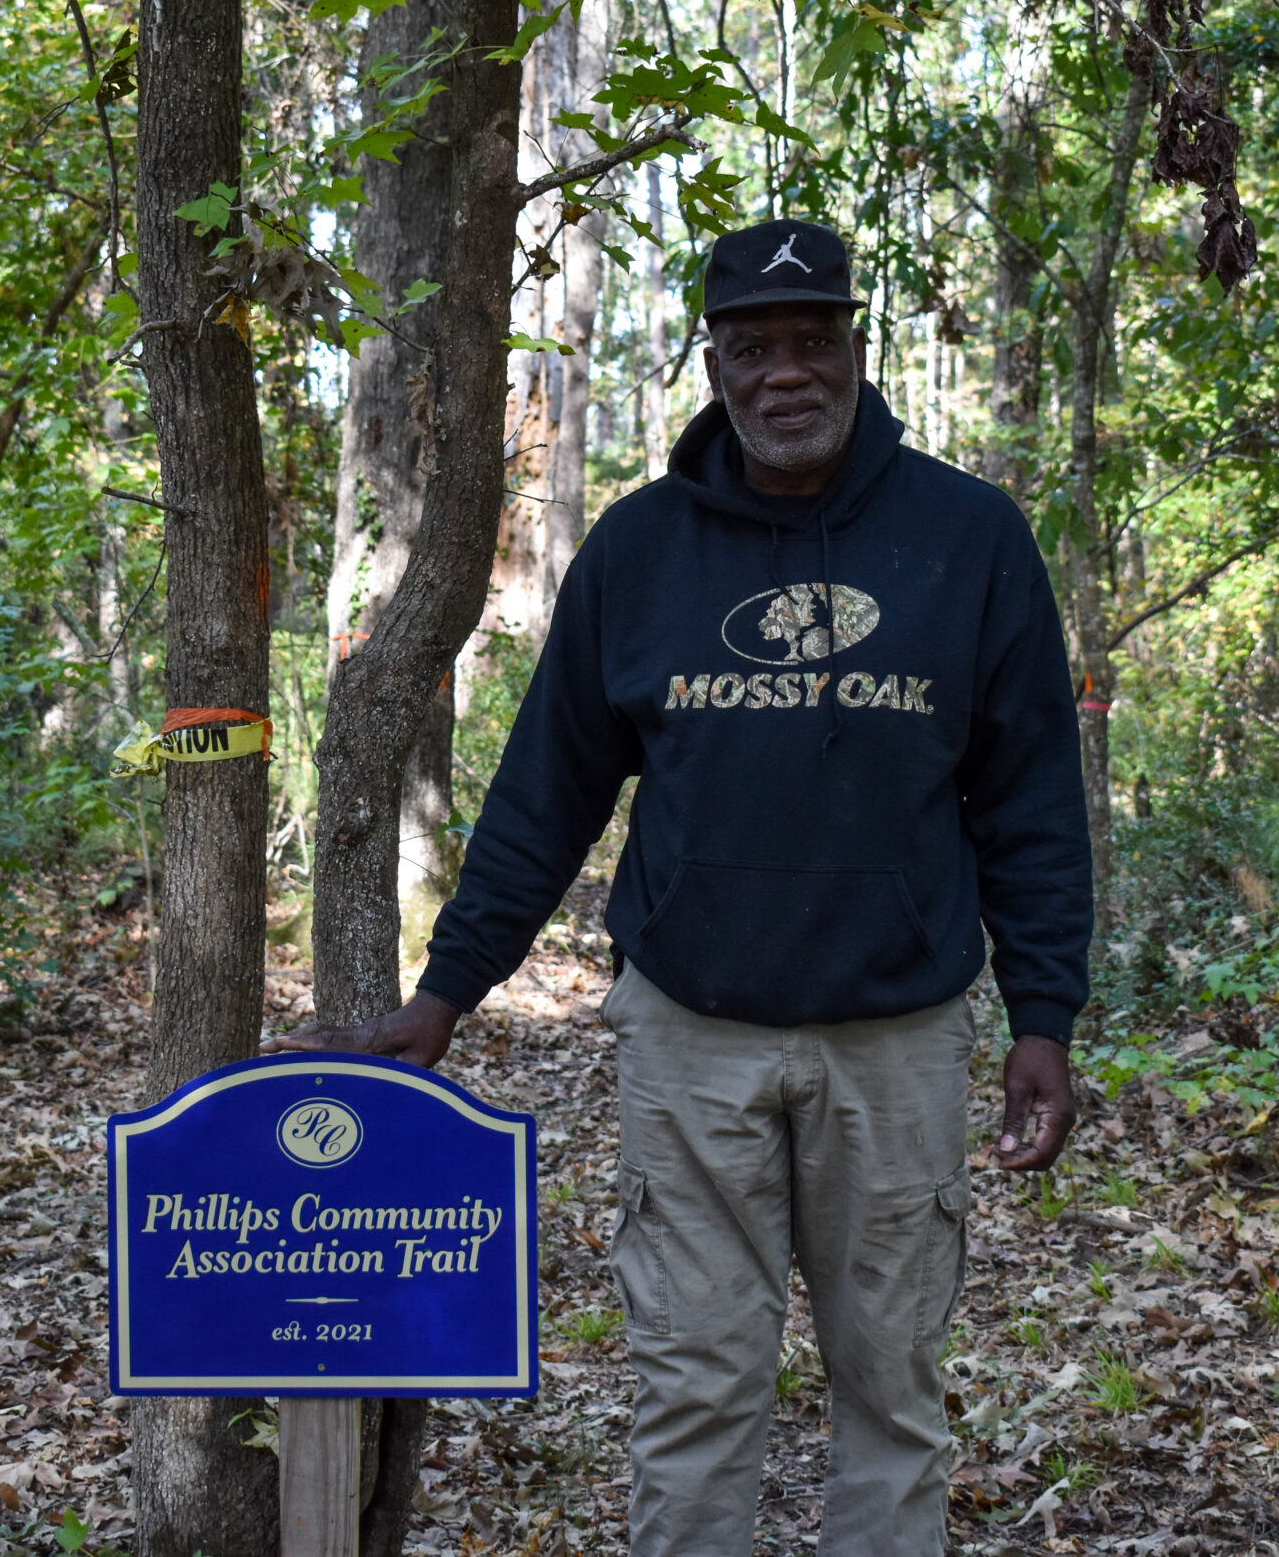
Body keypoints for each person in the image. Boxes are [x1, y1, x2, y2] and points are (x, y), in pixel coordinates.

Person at [272, 218, 1095, 1557]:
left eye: (812, 341)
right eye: (754, 346)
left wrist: (1044, 1016)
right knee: (697, 1389)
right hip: (691, 1039)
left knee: (892, 1390)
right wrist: (450, 990)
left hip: (894, 1039)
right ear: (711, 364)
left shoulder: (970, 539)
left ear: (855, 350)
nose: (786, 373)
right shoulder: (641, 552)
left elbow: (1032, 804)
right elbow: (550, 793)